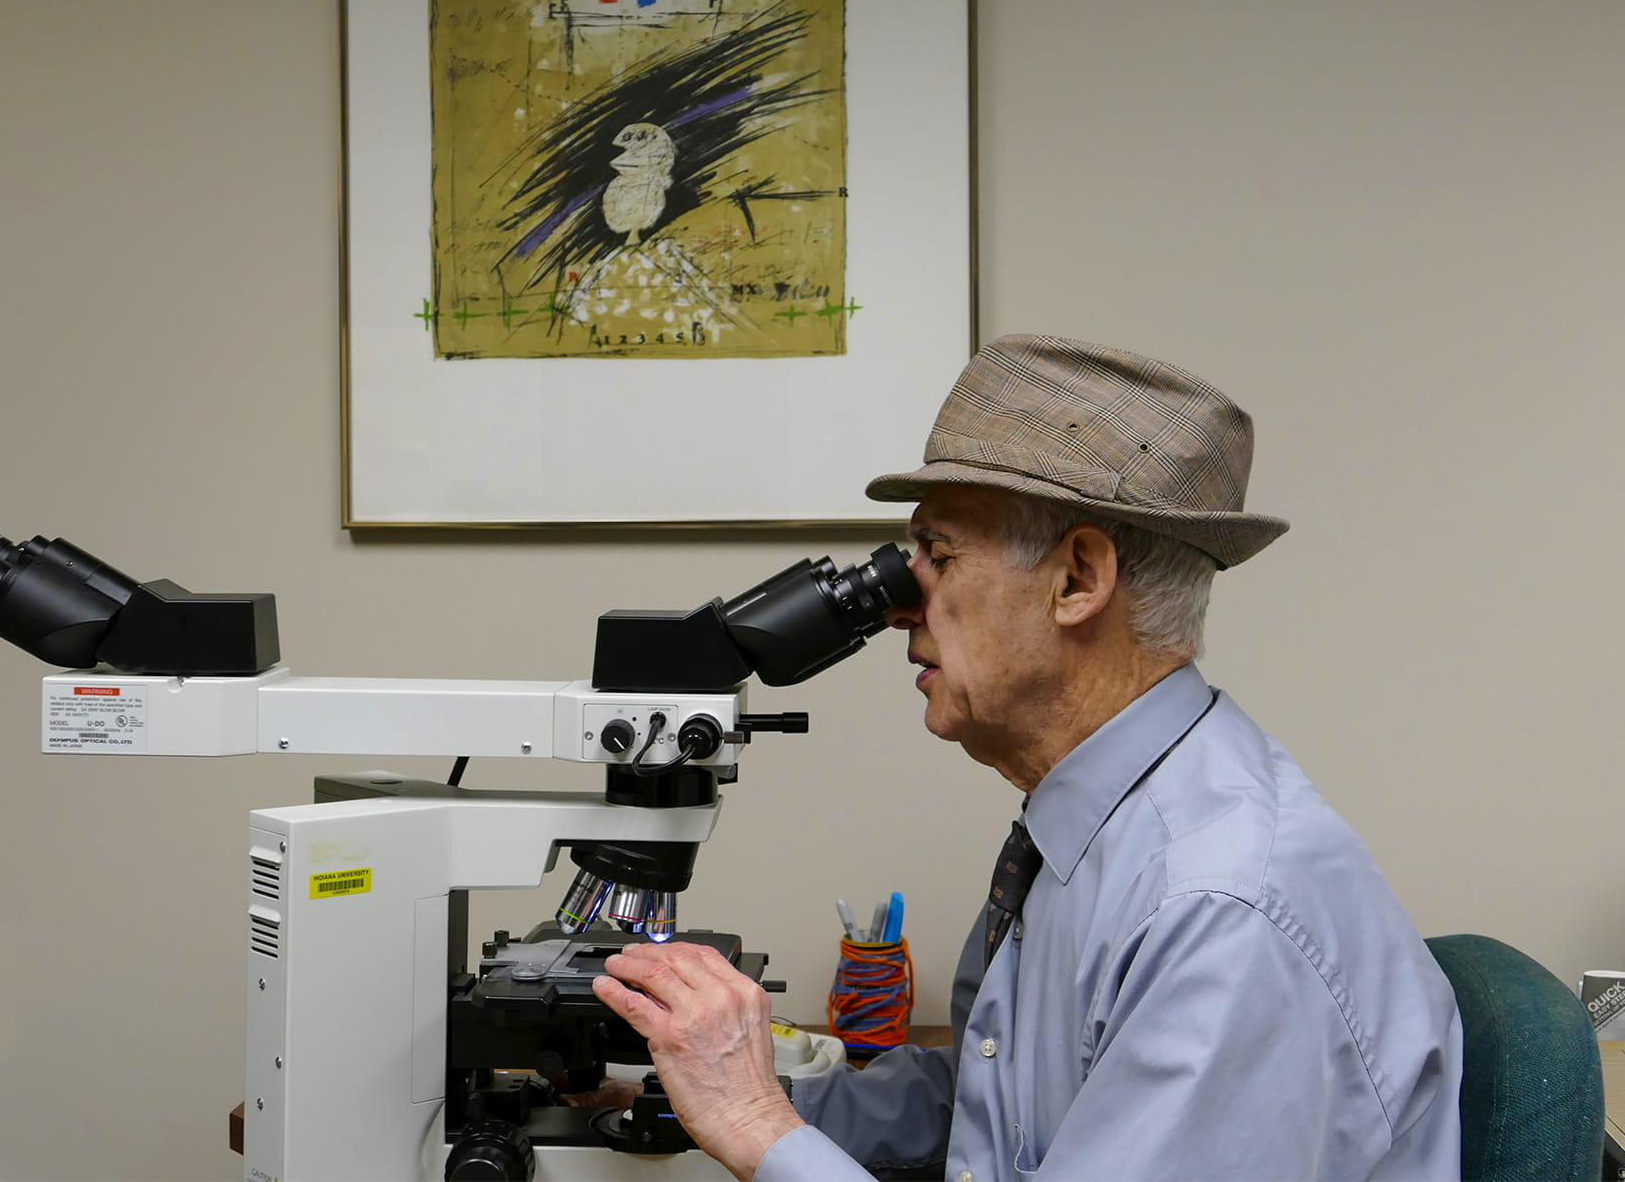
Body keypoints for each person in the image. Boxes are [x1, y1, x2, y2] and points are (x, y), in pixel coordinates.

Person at [593, 334, 1463, 1181]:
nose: (898, 606)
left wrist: (757, 1126)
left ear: (1079, 579)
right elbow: (991, 1108)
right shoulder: (1095, 829)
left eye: (935, 555)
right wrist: (707, 1092)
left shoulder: (1219, 910)